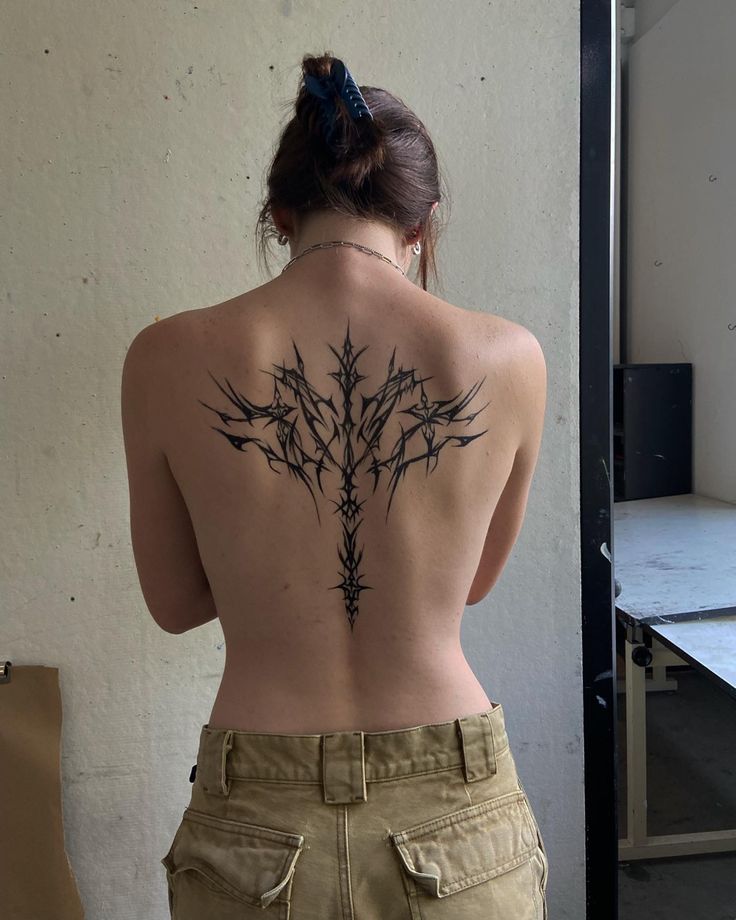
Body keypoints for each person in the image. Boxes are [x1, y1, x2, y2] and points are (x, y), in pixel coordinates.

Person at [122, 51, 548, 920]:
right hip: (454, 807)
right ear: (423, 222)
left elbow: (172, 601)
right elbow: (466, 582)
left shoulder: (165, 356)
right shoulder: (509, 359)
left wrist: (259, 555)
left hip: (258, 814)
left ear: (279, 213)